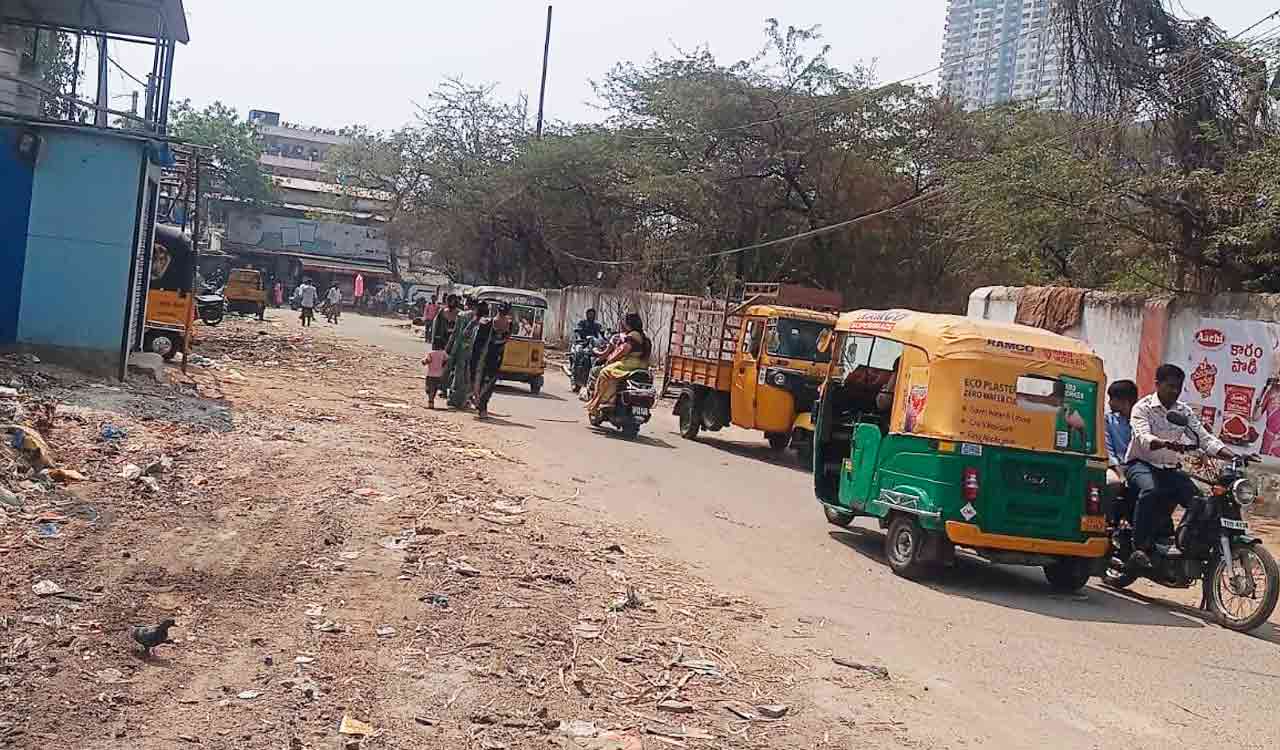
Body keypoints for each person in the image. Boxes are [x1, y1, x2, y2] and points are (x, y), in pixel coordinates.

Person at [1125, 364, 1236, 568]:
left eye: (1178, 387)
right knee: (1150, 490)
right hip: (1140, 464)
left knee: (1200, 502)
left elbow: (1204, 439)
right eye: (1170, 386)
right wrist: (1165, 443)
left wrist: (1233, 455)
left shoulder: (1183, 412)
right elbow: (1143, 437)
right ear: (1157, 384)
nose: (1175, 391)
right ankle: (1138, 547)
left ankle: (1183, 544)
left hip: (1169, 469)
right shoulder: (1142, 407)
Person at [586, 312, 652, 419]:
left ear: (628, 323)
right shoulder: (643, 336)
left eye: (624, 322)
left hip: (630, 364)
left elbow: (623, 350)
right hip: (642, 366)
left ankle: (605, 400)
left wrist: (610, 359)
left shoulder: (632, 335)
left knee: (605, 372)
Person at [470, 302, 514, 419]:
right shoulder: (489, 323)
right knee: (486, 382)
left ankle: (481, 405)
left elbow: (477, 344)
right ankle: (481, 405)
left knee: (485, 382)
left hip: (489, 357)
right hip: (488, 357)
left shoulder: (505, 324)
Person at [446, 300, 486, 409]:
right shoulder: (484, 320)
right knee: (468, 377)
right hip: (475, 353)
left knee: (458, 375)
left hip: (461, 350)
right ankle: (464, 400)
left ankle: (454, 399)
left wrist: (449, 348)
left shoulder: (462, 315)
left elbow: (457, 334)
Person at [1104, 379, 1138, 501]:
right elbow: (1109, 452)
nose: (1109, 403)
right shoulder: (1108, 420)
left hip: (1138, 467)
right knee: (1111, 482)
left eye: (1112, 399)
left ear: (1125, 401)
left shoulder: (1141, 421)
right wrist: (1121, 475)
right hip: (1116, 467)